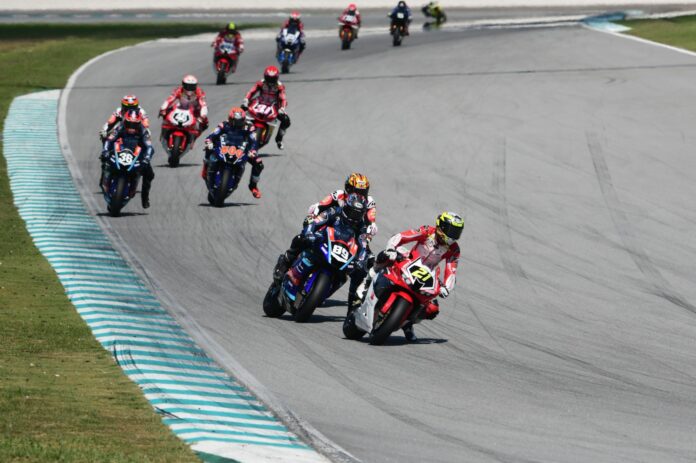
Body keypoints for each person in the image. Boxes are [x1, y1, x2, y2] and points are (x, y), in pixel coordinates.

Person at [274, 173, 377, 308]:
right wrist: (312, 217)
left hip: (353, 234)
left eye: (363, 192)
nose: (359, 195)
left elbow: (370, 220)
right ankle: (285, 262)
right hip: (330, 223)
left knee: (367, 262)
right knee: (302, 237)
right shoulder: (338, 195)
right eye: (356, 191)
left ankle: (354, 301)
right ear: (348, 188)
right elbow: (320, 206)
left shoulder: (369, 202)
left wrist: (369, 231)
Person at [360, 211, 463, 342]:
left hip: (428, 273)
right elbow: (402, 236)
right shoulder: (427, 231)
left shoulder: (454, 249)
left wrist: (447, 287)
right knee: (386, 255)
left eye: (457, 232)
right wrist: (391, 247)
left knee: (432, 309)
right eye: (452, 230)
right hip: (409, 260)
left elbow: (451, 270)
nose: (454, 235)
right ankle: (367, 281)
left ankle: (407, 323)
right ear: (441, 226)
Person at [285, 194, 370, 295]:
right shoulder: (334, 211)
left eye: (357, 214)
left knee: (354, 273)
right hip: (322, 242)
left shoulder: (362, 227)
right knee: (300, 239)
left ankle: (351, 300)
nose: (353, 216)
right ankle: (285, 264)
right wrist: (309, 233)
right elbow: (316, 222)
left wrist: (361, 260)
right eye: (352, 212)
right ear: (346, 207)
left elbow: (363, 245)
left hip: (342, 254)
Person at [202, 107, 263, 198]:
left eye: (240, 121)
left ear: (244, 119)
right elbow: (213, 135)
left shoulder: (250, 127)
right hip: (224, 148)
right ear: (230, 119)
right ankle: (205, 168)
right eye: (234, 121)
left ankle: (253, 186)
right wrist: (209, 141)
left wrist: (253, 151)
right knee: (208, 148)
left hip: (241, 150)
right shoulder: (224, 125)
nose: (237, 124)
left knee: (259, 164)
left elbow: (254, 140)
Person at [101, 110, 155, 209]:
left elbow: (149, 147)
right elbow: (109, 140)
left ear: (139, 123)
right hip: (120, 151)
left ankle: (145, 198)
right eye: (129, 124)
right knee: (104, 160)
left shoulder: (143, 131)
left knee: (149, 175)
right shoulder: (120, 127)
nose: (131, 128)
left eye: (134, 125)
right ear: (125, 122)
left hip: (137, 155)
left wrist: (146, 159)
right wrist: (105, 151)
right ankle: (104, 181)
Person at [242, 66, 290, 150]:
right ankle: (233, 130)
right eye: (268, 78)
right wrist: (246, 100)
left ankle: (279, 139)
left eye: (272, 79)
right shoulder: (260, 83)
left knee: (286, 120)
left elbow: (283, 98)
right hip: (259, 102)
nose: (270, 81)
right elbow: (251, 92)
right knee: (241, 110)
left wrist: (282, 108)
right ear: (265, 76)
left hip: (273, 106)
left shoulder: (280, 86)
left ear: (276, 78)